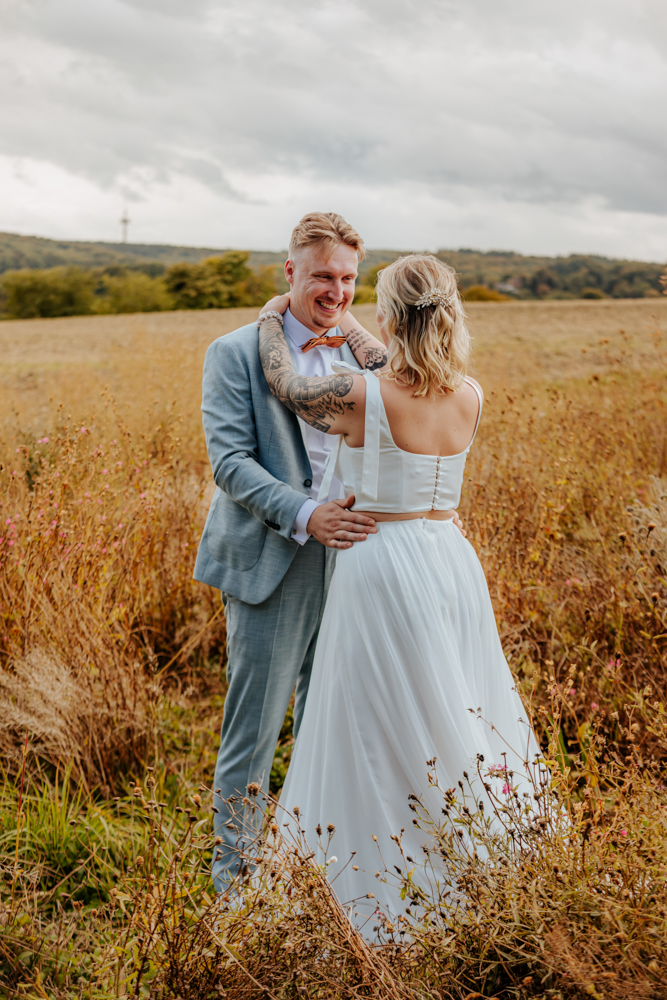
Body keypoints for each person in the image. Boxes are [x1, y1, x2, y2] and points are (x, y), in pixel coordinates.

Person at [257, 253, 540, 924]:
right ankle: (481, 863)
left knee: (374, 714)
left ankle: (387, 878)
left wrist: (274, 318)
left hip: (379, 563)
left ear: (388, 317)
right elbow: (393, 369)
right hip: (449, 559)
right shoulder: (468, 392)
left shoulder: (361, 394)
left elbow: (283, 384)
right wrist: (354, 324)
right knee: (459, 700)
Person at [194, 213, 464, 889]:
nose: (335, 291)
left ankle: (326, 875)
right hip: (274, 556)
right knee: (253, 731)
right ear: (289, 273)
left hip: (363, 564)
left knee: (337, 721)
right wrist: (306, 515)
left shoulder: (369, 358)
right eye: (321, 276)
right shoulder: (234, 352)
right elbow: (228, 462)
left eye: (347, 278)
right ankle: (233, 887)